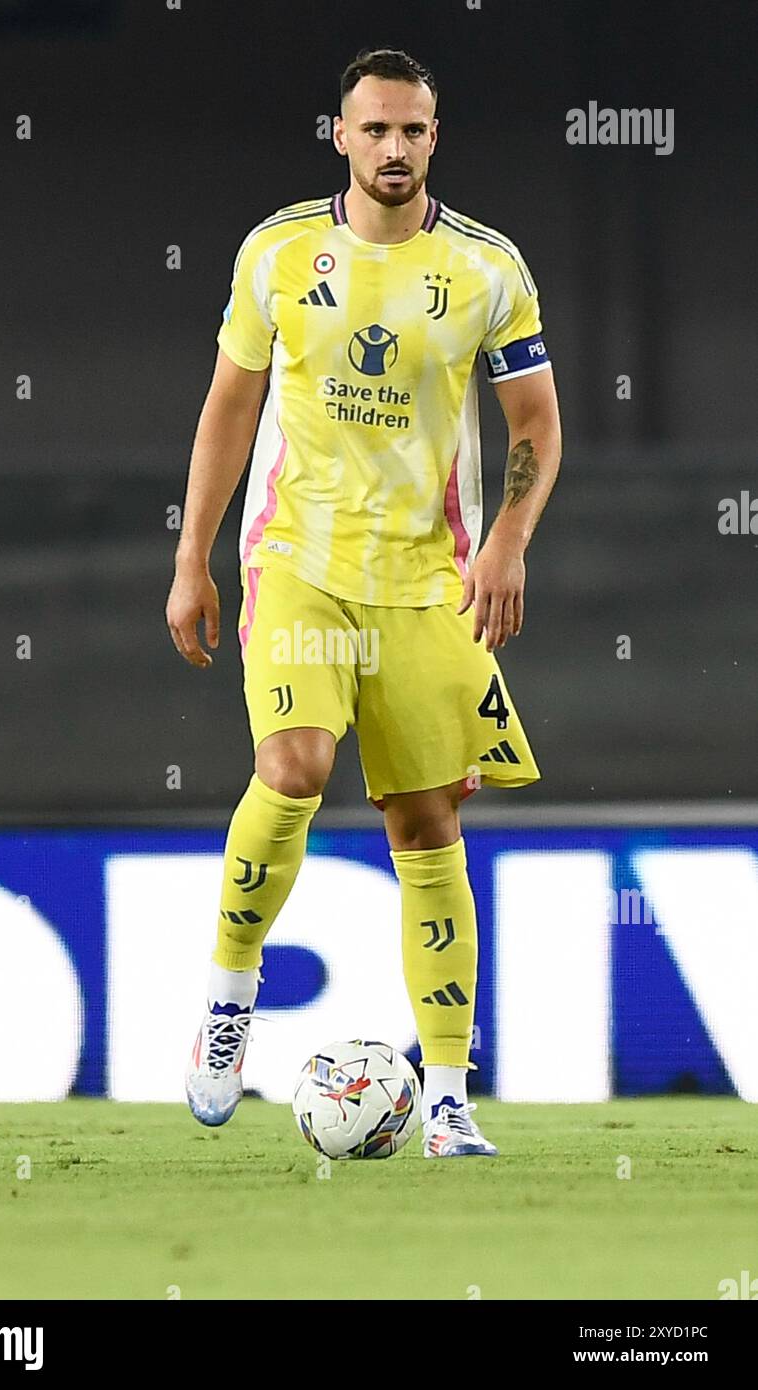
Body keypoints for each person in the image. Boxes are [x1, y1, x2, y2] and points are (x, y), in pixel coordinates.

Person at [166, 47, 562, 1157]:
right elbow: (227, 413)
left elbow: (533, 424)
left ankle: (443, 1096)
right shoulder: (279, 252)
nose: (395, 147)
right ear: (338, 135)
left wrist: (508, 544)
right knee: (291, 765)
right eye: (375, 129)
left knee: (426, 821)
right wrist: (193, 555)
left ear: (436, 139)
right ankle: (227, 1000)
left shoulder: (484, 269)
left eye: (414, 131)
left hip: (427, 577)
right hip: (298, 559)